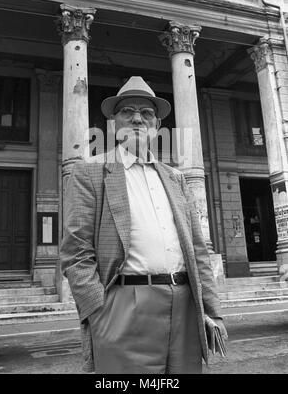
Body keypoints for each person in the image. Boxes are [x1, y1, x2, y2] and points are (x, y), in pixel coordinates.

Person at [60, 76, 227, 374]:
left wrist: (212, 311)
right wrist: (99, 314)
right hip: (123, 306)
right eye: (127, 112)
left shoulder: (176, 178)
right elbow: (76, 252)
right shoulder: (90, 173)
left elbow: (198, 251)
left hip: (185, 305)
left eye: (147, 113)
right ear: (113, 125)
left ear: (156, 126)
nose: (137, 118)